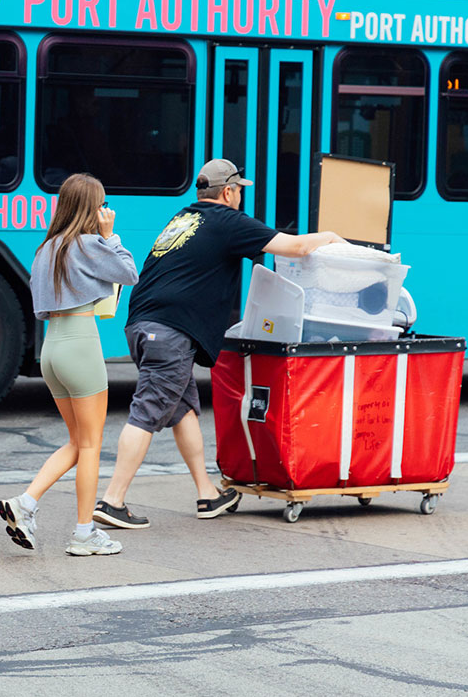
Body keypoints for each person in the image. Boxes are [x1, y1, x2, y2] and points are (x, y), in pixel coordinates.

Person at [93, 159, 345, 529]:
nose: (241, 195)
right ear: (227, 192)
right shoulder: (227, 221)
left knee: (182, 409)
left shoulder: (182, 219)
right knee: (147, 412)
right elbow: (295, 247)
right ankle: (112, 501)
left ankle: (207, 494)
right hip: (169, 331)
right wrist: (330, 237)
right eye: (240, 189)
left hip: (143, 326)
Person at [0, 174, 139, 556]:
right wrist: (111, 237)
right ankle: (83, 533)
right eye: (102, 204)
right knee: (92, 444)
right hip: (80, 342)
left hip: (53, 348)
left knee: (77, 441)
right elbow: (129, 274)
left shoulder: (47, 248)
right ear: (91, 208)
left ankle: (25, 504)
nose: (106, 211)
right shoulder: (92, 244)